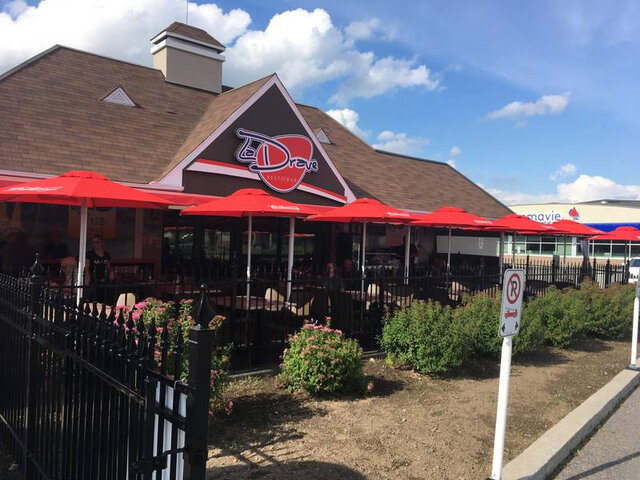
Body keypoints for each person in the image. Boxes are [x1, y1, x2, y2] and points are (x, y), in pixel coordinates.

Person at [86, 234, 114, 302]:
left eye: (97, 242)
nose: (95, 244)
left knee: (105, 300)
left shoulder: (107, 255)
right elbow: (86, 268)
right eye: (93, 242)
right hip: (94, 280)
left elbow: (109, 267)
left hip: (104, 281)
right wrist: (89, 281)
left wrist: (111, 275)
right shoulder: (89, 254)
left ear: (102, 242)